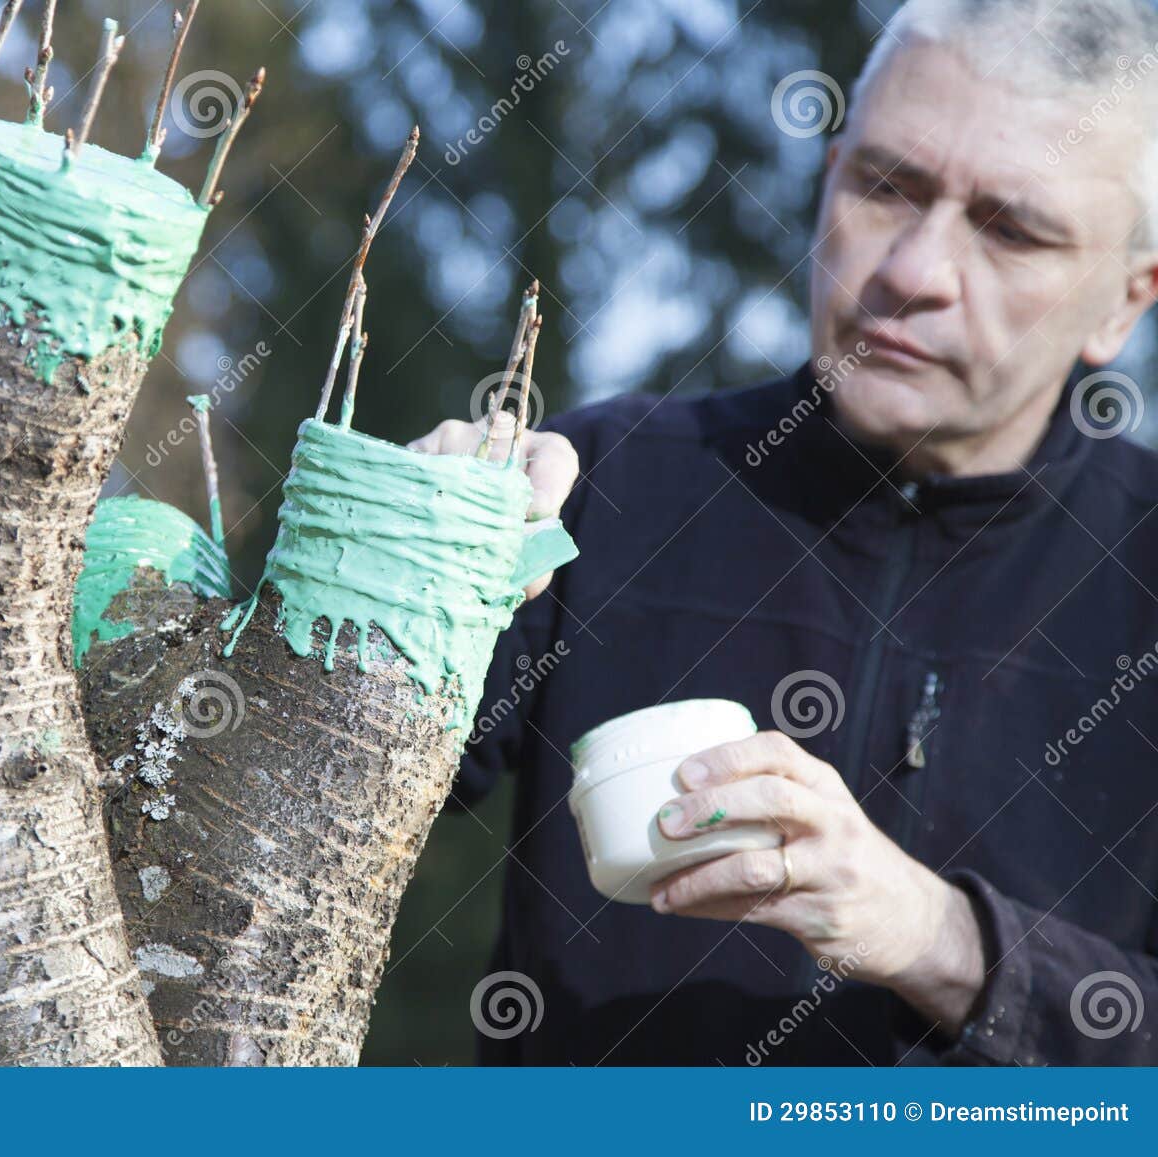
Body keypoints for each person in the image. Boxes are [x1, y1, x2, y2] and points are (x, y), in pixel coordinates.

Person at [410, 0, 1158, 1064]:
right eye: (885, 186)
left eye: (1009, 229)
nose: (913, 273)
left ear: (1121, 305)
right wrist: (382, 562)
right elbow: (266, 810)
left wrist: (940, 937)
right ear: (827, 176)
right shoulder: (606, 484)